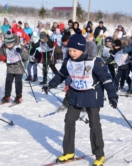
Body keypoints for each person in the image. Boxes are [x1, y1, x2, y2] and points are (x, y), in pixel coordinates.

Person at [42, 32, 118, 166]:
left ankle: (99, 154)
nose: (71, 53)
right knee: (69, 120)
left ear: (82, 49)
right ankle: (69, 151)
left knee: (94, 125)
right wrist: (50, 85)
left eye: (74, 50)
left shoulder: (95, 61)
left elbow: (106, 79)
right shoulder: (69, 61)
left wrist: (112, 95)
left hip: (92, 96)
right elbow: (61, 75)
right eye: (69, 50)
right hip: (75, 94)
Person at [0, 32, 29, 104]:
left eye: (10, 44)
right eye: (7, 44)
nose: (9, 46)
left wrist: (21, 52)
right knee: (8, 81)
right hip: (10, 67)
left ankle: (18, 97)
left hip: (19, 67)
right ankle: (7, 96)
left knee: (18, 82)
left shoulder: (19, 46)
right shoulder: (5, 47)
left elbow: (26, 56)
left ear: (13, 42)